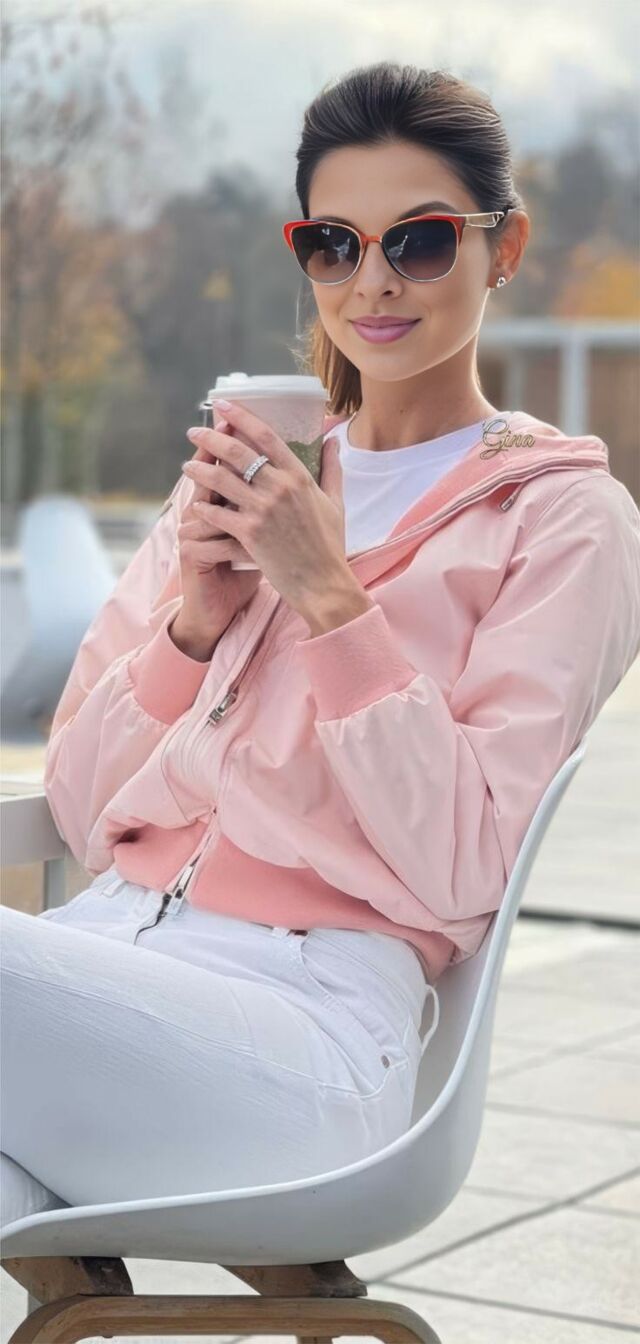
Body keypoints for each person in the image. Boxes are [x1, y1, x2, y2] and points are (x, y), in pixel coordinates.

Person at [2, 61, 639, 1233]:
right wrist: (194, 625)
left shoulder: (561, 521)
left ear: (502, 248)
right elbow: (86, 815)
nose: (372, 281)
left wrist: (330, 598)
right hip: (104, 965)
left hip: (306, 1032)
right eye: (333, 244)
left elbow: (465, 868)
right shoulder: (239, 484)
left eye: (422, 241)